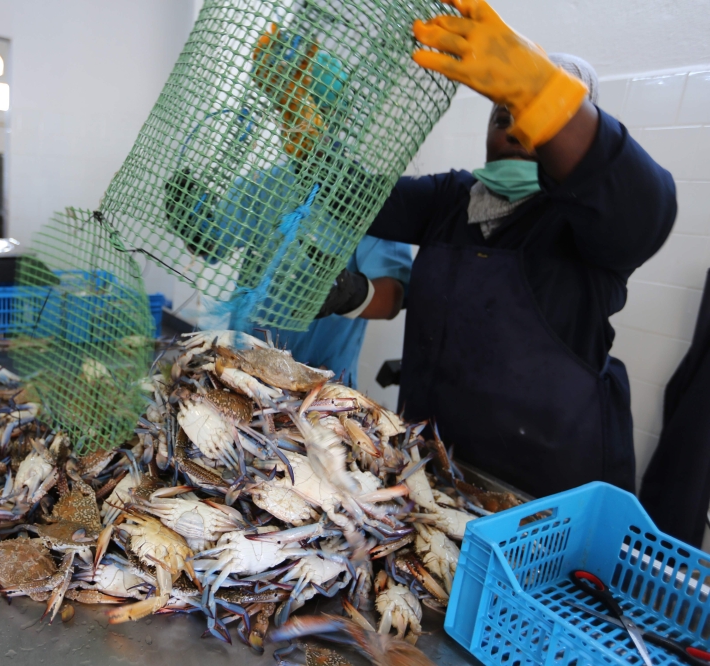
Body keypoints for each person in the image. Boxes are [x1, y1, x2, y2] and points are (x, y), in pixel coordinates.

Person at [359, 0, 676, 498]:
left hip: (546, 499)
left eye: (532, 120)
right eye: (501, 115)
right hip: (433, 469)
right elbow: (357, 200)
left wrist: (544, 94)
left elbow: (644, 210)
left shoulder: (589, 224)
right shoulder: (451, 199)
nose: (512, 130)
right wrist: (308, 144)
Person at [272, 236, 412, 388]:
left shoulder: (378, 216)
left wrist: (352, 293)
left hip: (322, 381)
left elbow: (394, 297)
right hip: (251, 359)